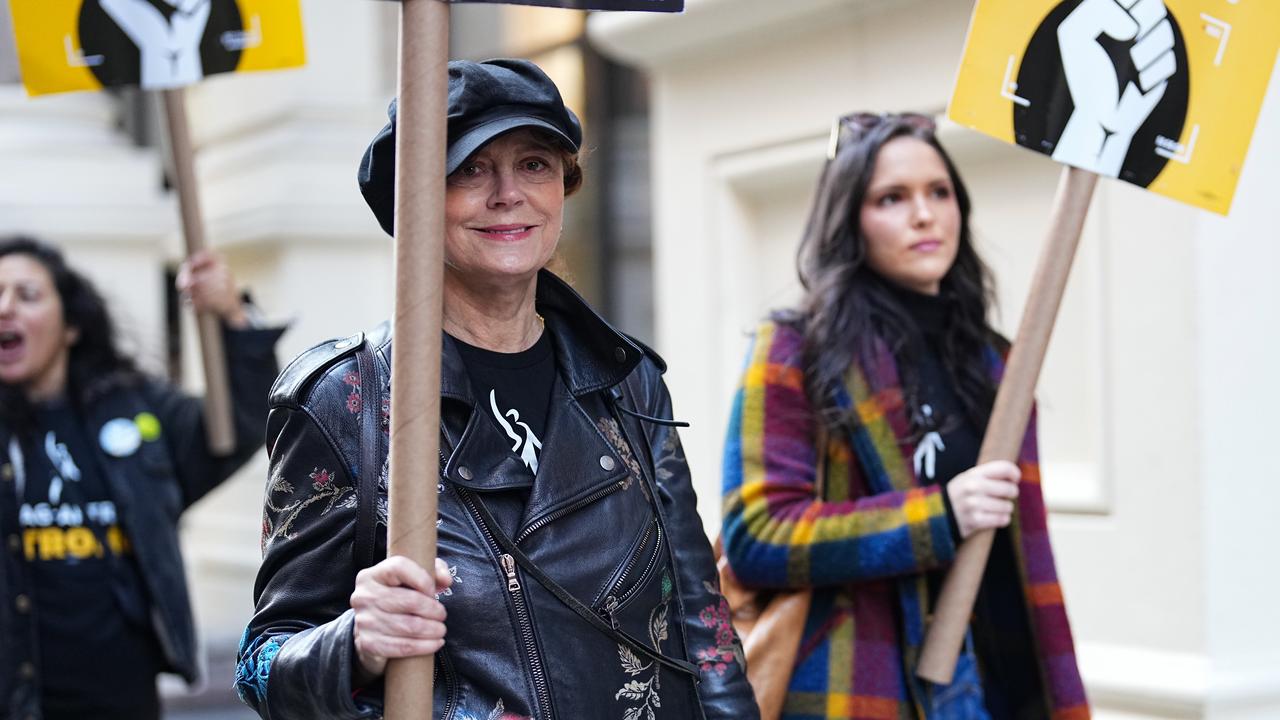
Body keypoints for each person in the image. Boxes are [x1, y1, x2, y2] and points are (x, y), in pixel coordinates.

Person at [236, 58, 758, 720]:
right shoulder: (344, 400)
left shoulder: (630, 383)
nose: (508, 193)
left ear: (563, 188)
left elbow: (702, 622)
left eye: (535, 164)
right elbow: (262, 663)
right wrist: (356, 644)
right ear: (414, 202)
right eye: (467, 169)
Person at [720, 113, 1090, 719]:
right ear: (850, 221)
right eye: (892, 198)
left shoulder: (996, 362)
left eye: (938, 192)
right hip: (868, 685)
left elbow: (1022, 552)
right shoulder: (798, 349)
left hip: (1001, 679)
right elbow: (758, 536)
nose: (924, 214)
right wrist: (940, 515)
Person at [0, 236, 284, 719]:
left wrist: (232, 317)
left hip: (121, 699)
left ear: (71, 325)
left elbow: (236, 427)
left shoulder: (138, 411)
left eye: (26, 295)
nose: (5, 309)